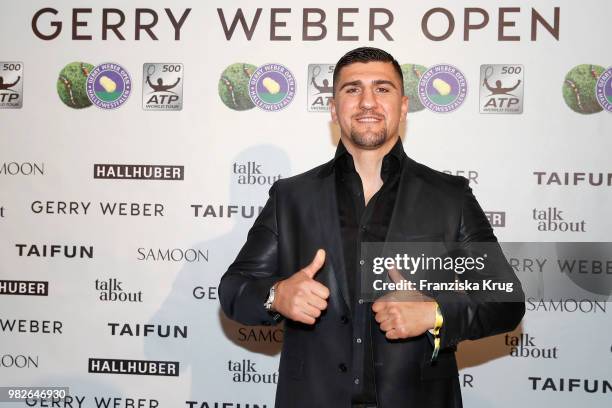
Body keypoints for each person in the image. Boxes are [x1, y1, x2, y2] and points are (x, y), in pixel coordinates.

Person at [219, 47, 525, 408]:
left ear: (404, 105)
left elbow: (506, 298)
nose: (367, 102)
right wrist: (276, 296)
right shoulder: (291, 197)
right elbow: (234, 289)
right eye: (352, 89)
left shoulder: (449, 197)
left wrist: (434, 313)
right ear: (334, 109)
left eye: (382, 89)